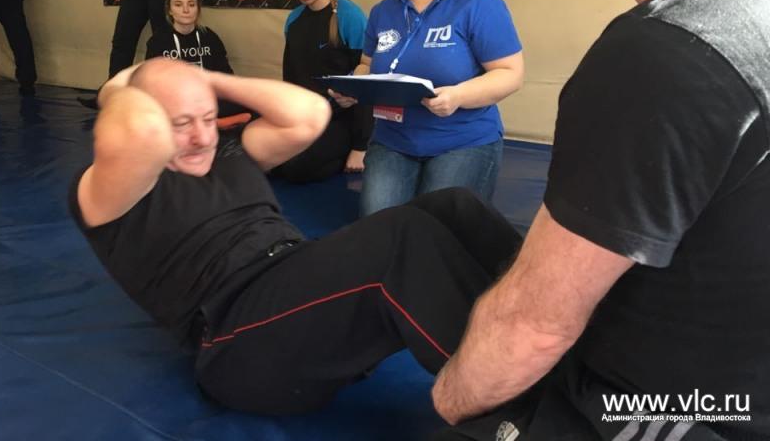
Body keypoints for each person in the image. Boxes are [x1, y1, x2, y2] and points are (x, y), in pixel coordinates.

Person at [431, 0, 770, 440]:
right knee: (446, 216)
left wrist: (449, 403)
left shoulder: (665, 48)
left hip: (685, 412)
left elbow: (536, 326)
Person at [68, 58, 524, 416]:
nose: (202, 137)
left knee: (453, 207)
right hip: (238, 341)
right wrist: (121, 88)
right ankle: (517, 401)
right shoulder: (116, 192)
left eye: (208, 118)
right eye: (182, 123)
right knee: (403, 239)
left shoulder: (230, 153)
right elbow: (141, 131)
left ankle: (545, 328)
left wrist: (204, 81)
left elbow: (309, 114)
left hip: (295, 294)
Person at [338, 0, 524, 216]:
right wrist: (354, 87)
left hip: (463, 140)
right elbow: (368, 64)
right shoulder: (384, 11)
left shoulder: (479, 3)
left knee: (438, 227)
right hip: (393, 140)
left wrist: (458, 96)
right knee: (379, 225)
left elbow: (511, 73)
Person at [275, 0, 373, 182]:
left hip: (340, 118)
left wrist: (360, 147)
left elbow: (368, 82)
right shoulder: (294, 20)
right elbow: (291, 78)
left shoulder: (350, 17)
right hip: (304, 116)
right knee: (261, 153)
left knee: (295, 167)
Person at [145, 0, 246, 119]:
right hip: (175, 102)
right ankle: (210, 122)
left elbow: (226, 76)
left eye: (191, 5)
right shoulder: (158, 42)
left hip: (208, 98)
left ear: (198, 9)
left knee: (251, 104)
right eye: (178, 5)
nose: (186, 10)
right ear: (170, 10)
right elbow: (152, 83)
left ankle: (207, 120)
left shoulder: (209, 37)